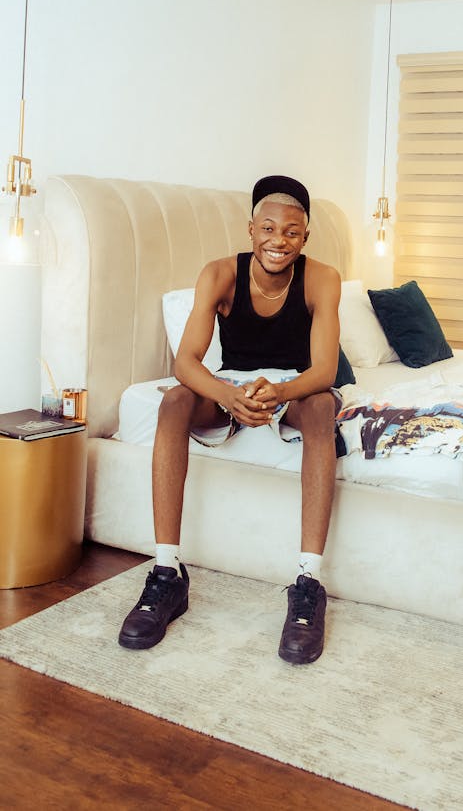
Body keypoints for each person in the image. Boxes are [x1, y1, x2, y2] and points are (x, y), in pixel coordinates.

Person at [118, 175, 342, 664]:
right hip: (231, 384)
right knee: (174, 400)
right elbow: (186, 361)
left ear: (305, 237)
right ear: (250, 230)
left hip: (293, 387)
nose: (277, 241)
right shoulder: (219, 274)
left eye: (290, 232)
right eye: (268, 228)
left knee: (324, 406)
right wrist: (228, 394)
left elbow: (323, 370)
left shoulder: (323, 279)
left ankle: (308, 584)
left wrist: (280, 391)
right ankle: (166, 574)